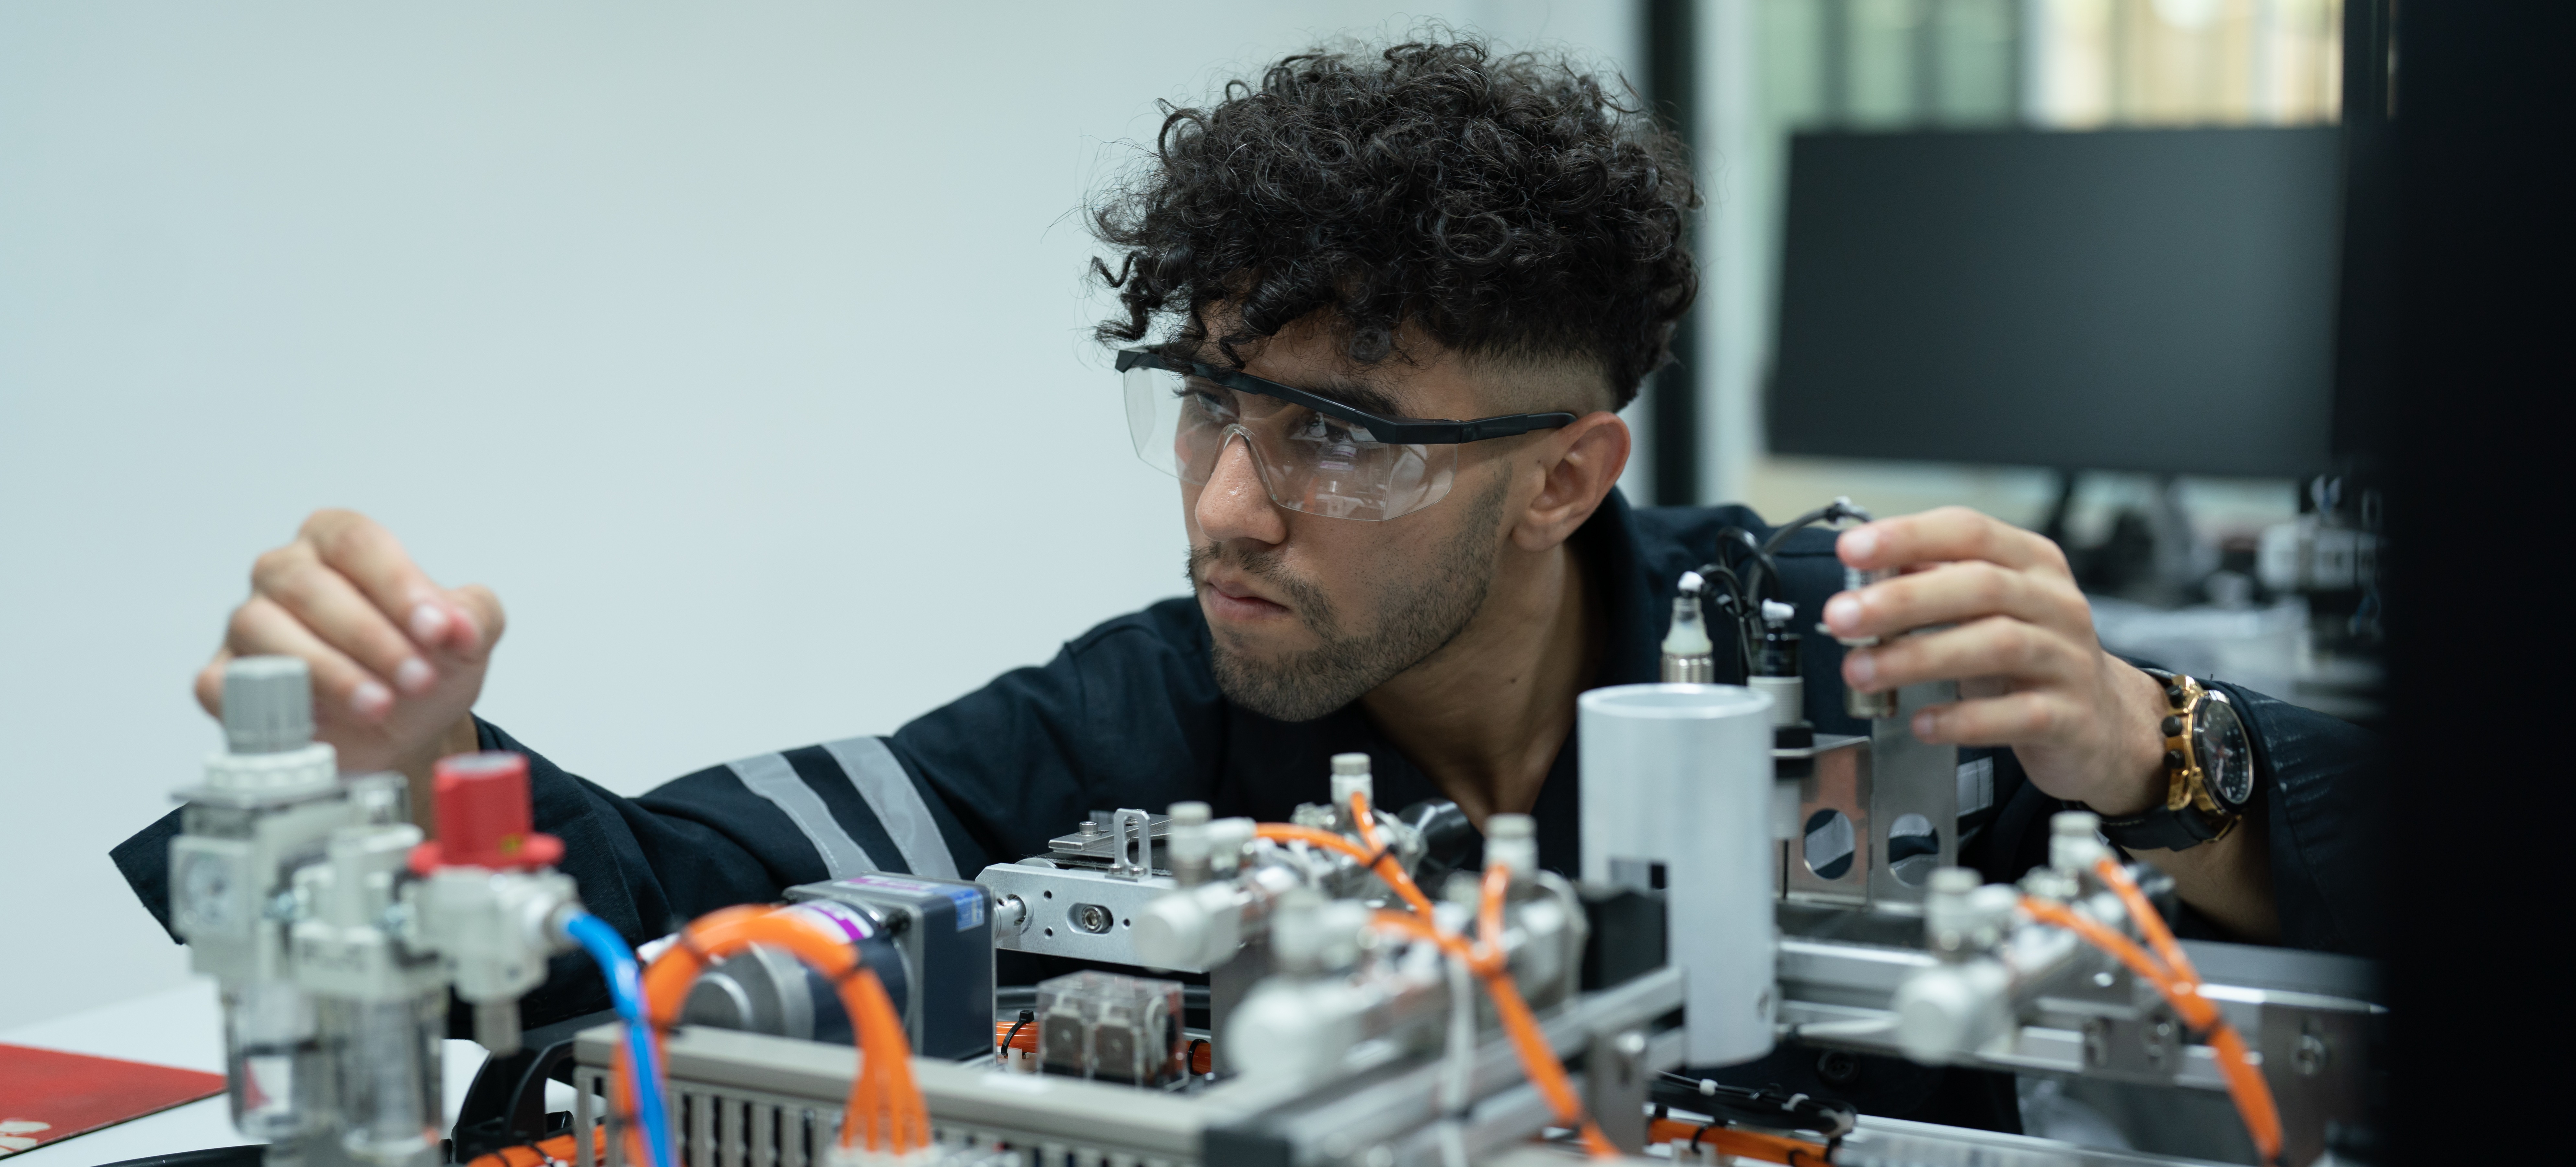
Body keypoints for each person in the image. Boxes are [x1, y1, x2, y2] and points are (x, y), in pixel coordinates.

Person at [111, 33, 2377, 1131]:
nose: (1225, 504)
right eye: (1206, 399)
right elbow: (666, 911)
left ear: (1567, 475)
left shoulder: (1850, 658)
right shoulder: (1136, 725)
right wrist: (415, 781)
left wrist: (2176, 751)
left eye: (1344, 432)